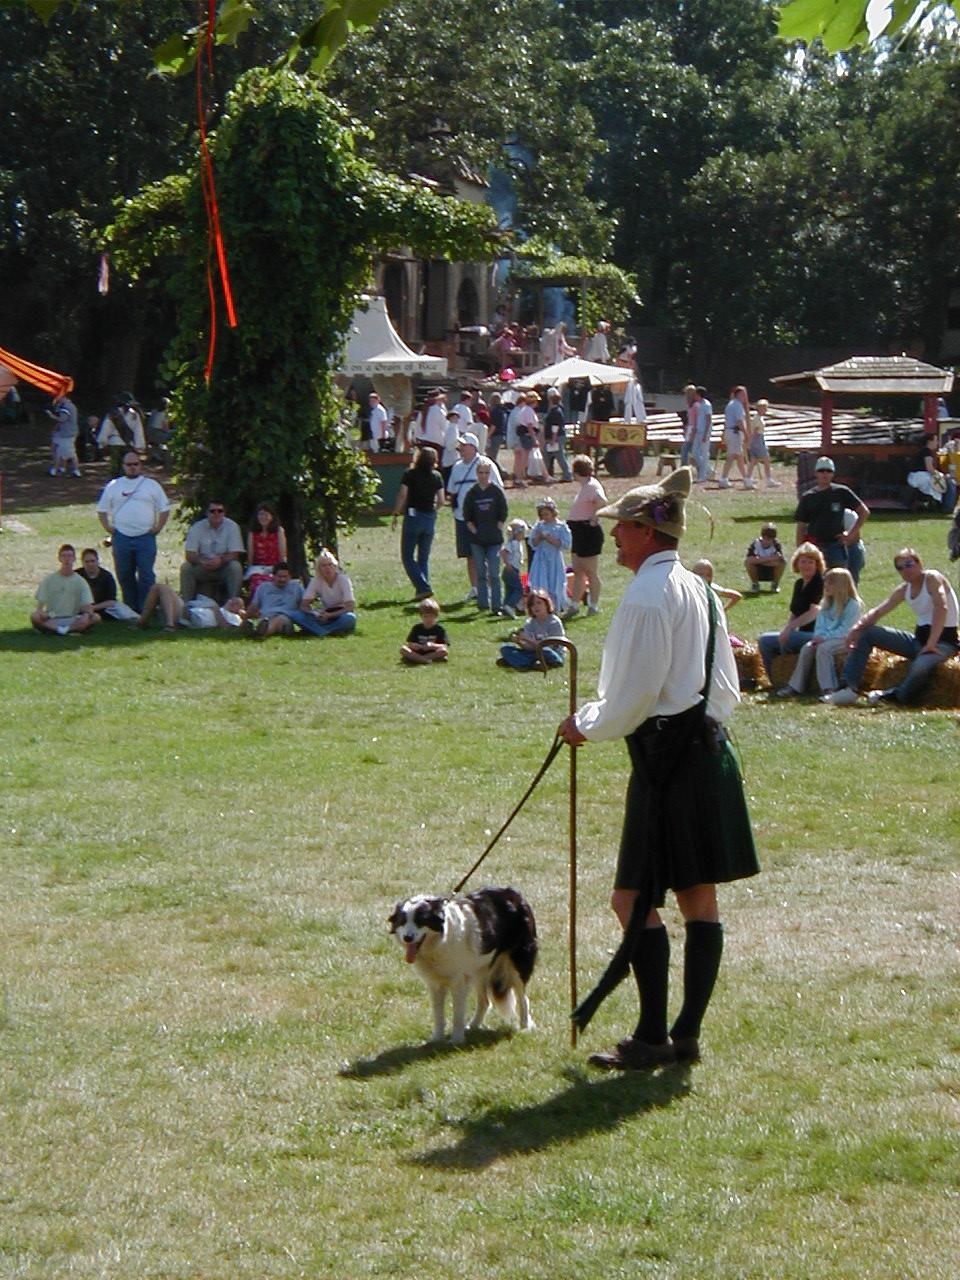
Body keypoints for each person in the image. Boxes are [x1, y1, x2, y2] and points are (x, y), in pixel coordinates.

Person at [557, 467, 758, 1069]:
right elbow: (724, 687)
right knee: (698, 897)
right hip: (705, 750)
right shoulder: (698, 588)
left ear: (647, 532)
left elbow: (636, 694)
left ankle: (652, 1038)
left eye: (622, 528)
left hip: (667, 762)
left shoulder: (648, 596)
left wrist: (586, 724)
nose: (613, 537)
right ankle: (684, 1035)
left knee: (630, 899)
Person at [822, 548, 960, 706]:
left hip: (942, 643)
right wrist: (855, 629)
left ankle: (896, 696)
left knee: (920, 667)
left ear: (919, 564)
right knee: (868, 633)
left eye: (909, 564)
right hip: (918, 642)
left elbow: (941, 607)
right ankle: (848, 687)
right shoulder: (904, 589)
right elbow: (879, 611)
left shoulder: (932, 578)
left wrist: (931, 643)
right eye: (900, 568)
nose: (905, 570)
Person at [96, 451, 171, 612]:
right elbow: (102, 510)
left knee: (146, 575)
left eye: (135, 464)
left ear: (140, 465)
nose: (132, 467)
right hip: (121, 537)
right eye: (129, 465)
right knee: (124, 574)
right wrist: (108, 527)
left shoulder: (151, 485)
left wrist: (158, 527)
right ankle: (130, 608)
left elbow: (164, 508)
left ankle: (146, 609)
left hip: (145, 537)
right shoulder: (114, 485)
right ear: (123, 466)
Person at [775, 568, 861, 698]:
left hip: (846, 639)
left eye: (830, 583)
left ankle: (829, 689)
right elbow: (820, 625)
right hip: (826, 638)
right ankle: (795, 686)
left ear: (841, 585)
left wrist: (824, 638)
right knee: (807, 648)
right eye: (826, 582)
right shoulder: (826, 603)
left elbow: (846, 630)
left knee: (824, 649)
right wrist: (818, 637)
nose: (826, 586)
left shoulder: (853, 605)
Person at [757, 543, 825, 684]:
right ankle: (776, 679)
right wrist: (787, 629)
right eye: (803, 561)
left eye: (811, 562)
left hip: (817, 634)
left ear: (817, 564)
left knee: (771, 639)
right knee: (765, 641)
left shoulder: (820, 583)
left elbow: (814, 612)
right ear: (797, 563)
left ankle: (788, 680)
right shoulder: (799, 584)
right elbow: (795, 613)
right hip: (801, 632)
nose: (806, 565)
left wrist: (790, 629)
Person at [447, 433, 504, 601]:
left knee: (487, 554)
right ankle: (475, 587)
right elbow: (452, 491)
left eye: (464, 446)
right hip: (462, 517)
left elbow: (498, 490)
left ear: (473, 447)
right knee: (469, 553)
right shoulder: (457, 467)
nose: (461, 449)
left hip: (485, 519)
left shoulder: (486, 464)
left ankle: (489, 587)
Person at [794, 456, 869, 571]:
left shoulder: (841, 492)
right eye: (821, 470)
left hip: (836, 545)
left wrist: (851, 534)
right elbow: (801, 526)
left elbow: (864, 512)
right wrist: (800, 550)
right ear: (816, 473)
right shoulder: (808, 497)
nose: (825, 474)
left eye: (828, 471)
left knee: (838, 577)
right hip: (815, 545)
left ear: (833, 474)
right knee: (816, 579)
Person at [392, 446, 444, 601]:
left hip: (413, 516)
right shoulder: (437, 476)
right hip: (429, 517)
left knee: (407, 556)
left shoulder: (410, 474)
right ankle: (422, 592)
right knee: (423, 558)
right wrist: (434, 511)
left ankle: (423, 587)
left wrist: (396, 512)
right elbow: (441, 500)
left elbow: (403, 494)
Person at [463, 459, 508, 614]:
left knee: (494, 574)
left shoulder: (496, 491)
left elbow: (503, 510)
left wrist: (499, 526)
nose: (483, 476)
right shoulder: (472, 493)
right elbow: (467, 515)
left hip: (494, 540)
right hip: (477, 540)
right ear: (477, 473)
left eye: (486, 473)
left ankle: (497, 605)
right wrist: (474, 530)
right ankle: (483, 604)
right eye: (481, 473)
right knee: (481, 573)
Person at [565, 454, 607, 619]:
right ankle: (574, 604)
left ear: (576, 472)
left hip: (587, 532)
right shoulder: (585, 487)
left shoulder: (592, 486)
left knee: (590, 571)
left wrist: (594, 517)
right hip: (577, 531)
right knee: (578, 570)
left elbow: (601, 501)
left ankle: (593, 605)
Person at [180, 501, 245, 604]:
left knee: (235, 567)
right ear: (207, 513)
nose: (216, 514)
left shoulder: (232, 527)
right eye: (212, 511)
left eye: (220, 511)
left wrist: (221, 560)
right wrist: (201, 561)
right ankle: (187, 605)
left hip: (223, 567)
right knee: (186, 568)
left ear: (224, 513)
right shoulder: (197, 527)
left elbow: (235, 553)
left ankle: (234, 604)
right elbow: (189, 554)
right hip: (202, 567)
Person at [31, 544, 98, 635]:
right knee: (35, 616)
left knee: (96, 617)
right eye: (64, 556)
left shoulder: (80, 581)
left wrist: (85, 616)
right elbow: (40, 606)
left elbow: (88, 606)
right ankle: (64, 629)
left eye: (70, 556)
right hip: (53, 617)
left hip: (72, 617)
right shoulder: (49, 579)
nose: (67, 559)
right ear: (59, 558)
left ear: (74, 559)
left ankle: (62, 630)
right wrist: (41, 613)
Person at [290, 549, 357, 637]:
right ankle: (324, 631)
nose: (327, 568)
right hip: (324, 614)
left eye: (330, 565)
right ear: (319, 569)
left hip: (340, 613)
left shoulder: (343, 580)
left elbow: (350, 606)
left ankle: (319, 630)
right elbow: (304, 605)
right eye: (324, 566)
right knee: (295, 615)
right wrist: (316, 614)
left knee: (350, 618)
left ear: (335, 566)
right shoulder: (316, 580)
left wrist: (330, 615)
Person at [498, 588, 566, 669]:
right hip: (534, 652)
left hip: (553, 653)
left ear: (546, 604)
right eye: (532, 605)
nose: (536, 607)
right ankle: (530, 663)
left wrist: (528, 639)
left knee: (545, 651)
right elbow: (529, 648)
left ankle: (518, 662)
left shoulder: (554, 622)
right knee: (505, 648)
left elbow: (550, 646)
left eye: (539, 603)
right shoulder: (530, 623)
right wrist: (519, 641)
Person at [529, 496, 572, 616]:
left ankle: (555, 608)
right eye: (542, 515)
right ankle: (541, 608)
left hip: (554, 558)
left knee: (555, 583)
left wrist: (550, 539)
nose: (545, 517)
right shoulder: (539, 526)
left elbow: (565, 544)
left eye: (547, 514)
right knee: (541, 582)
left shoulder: (560, 526)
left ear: (553, 513)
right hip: (541, 558)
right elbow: (533, 543)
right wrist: (539, 537)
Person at [246, 561, 304, 637]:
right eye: (279, 576)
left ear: (290, 577)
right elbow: (254, 606)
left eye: (285, 577)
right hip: (266, 618)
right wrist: (246, 616)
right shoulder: (263, 587)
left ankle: (262, 632)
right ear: (273, 576)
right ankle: (257, 629)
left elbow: (304, 605)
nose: (282, 579)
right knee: (265, 621)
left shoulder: (296, 587)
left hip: (286, 619)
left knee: (280, 619)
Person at [76, 547, 134, 621]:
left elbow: (112, 601)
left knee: (122, 610)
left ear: (98, 561)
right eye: (87, 562)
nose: (90, 564)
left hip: (103, 607)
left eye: (93, 561)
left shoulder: (107, 576)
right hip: (80, 607)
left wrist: (93, 608)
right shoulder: (76, 575)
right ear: (82, 563)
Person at [245, 502, 288, 598]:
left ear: (272, 516)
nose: (263, 517)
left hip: (275, 568)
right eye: (261, 514)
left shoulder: (279, 531)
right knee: (258, 584)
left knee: (273, 583)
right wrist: (250, 571)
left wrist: (282, 571)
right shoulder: (253, 533)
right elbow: (250, 557)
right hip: (258, 568)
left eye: (266, 514)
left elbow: (282, 555)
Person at [906, 434, 957, 513]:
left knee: (946, 482)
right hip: (920, 477)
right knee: (950, 482)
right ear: (929, 441)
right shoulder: (927, 452)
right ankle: (948, 507)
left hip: (915, 477)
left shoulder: (922, 451)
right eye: (936, 440)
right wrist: (942, 476)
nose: (937, 443)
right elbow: (929, 468)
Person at [718, 385, 753, 488]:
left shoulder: (731, 404)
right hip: (735, 432)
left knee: (739, 456)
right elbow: (739, 421)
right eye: (743, 394)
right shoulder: (737, 405)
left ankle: (746, 478)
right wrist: (746, 433)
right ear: (739, 394)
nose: (745, 397)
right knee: (732, 456)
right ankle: (724, 478)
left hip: (731, 432)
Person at [400, 597, 449, 664]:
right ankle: (424, 659)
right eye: (425, 616)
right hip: (418, 651)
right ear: (421, 616)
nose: (428, 619)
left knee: (443, 651)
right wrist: (416, 646)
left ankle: (418, 659)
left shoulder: (439, 629)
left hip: (432, 652)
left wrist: (432, 645)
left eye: (431, 616)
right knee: (403, 649)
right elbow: (410, 643)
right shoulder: (416, 628)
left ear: (436, 616)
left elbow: (444, 645)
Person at [745, 398, 780, 488]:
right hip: (758, 439)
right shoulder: (757, 419)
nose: (765, 410)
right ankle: (769, 479)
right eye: (763, 408)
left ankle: (748, 478)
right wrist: (750, 441)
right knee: (766, 459)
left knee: (754, 460)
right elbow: (755, 431)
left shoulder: (758, 418)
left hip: (757, 439)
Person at [744, 522, 786, 593]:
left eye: (770, 539)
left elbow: (779, 560)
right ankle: (755, 585)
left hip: (771, 570)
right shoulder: (755, 544)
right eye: (765, 538)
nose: (766, 541)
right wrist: (769, 559)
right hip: (758, 570)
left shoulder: (776, 544)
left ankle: (775, 585)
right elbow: (749, 560)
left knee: (782, 563)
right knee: (748, 564)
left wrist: (759, 560)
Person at [511, 392, 541, 489]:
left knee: (522, 458)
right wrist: (534, 439)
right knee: (524, 459)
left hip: (524, 436)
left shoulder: (526, 410)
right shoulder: (528, 411)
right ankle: (519, 478)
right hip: (527, 436)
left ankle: (518, 477)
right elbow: (530, 426)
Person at [542, 387, 573, 482]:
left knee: (559, 456)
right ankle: (546, 474)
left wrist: (553, 439)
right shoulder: (555, 410)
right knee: (547, 455)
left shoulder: (556, 411)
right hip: (553, 436)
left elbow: (555, 426)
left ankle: (568, 475)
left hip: (556, 437)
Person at [500, 517, 528, 619]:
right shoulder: (513, 543)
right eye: (523, 533)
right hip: (511, 570)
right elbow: (503, 552)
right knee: (518, 590)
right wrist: (507, 564)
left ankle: (505, 608)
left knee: (510, 590)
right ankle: (510, 605)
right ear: (517, 533)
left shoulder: (517, 543)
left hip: (512, 570)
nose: (524, 535)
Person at [47, 394, 80, 477]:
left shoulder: (66, 407)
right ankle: (62, 468)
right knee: (59, 450)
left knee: (63, 452)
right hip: (67, 432)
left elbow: (62, 419)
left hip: (66, 434)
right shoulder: (70, 406)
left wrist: (51, 416)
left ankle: (57, 470)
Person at [691, 386, 713, 483]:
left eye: (695, 394)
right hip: (699, 431)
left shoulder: (707, 405)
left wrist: (706, 434)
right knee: (695, 452)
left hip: (704, 432)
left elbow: (708, 420)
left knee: (704, 454)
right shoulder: (699, 405)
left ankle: (703, 476)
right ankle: (708, 469)